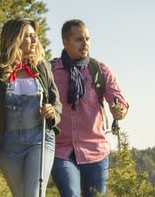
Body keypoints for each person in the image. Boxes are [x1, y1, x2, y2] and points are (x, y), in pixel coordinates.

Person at [0, 18, 62, 197]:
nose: (34, 40)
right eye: (28, 36)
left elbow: (57, 103)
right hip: (7, 144)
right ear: (14, 39)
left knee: (34, 194)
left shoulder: (43, 67)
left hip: (40, 138)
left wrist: (52, 112)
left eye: (34, 36)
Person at [50, 19, 129, 197]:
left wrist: (119, 110)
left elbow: (119, 101)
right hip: (61, 150)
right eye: (79, 39)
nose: (85, 43)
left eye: (87, 38)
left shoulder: (99, 70)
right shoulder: (51, 70)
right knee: (70, 194)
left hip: (96, 151)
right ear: (65, 42)